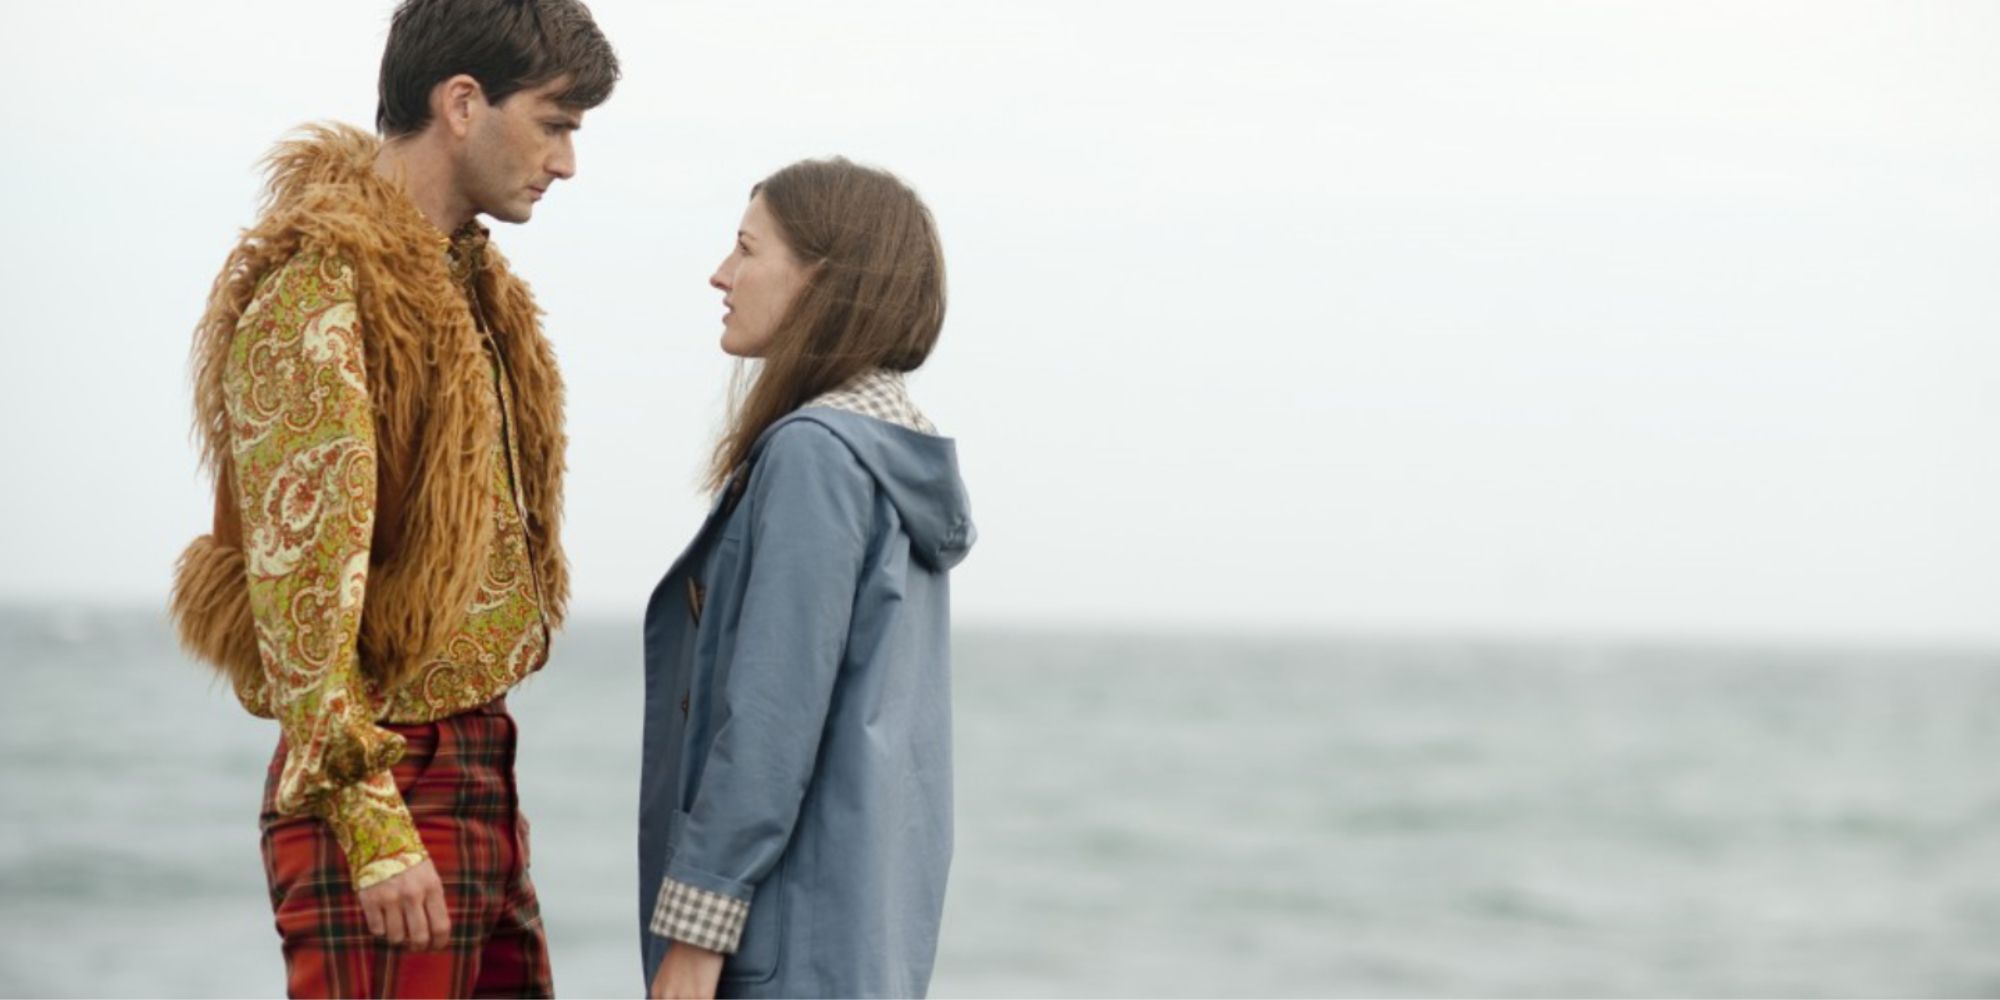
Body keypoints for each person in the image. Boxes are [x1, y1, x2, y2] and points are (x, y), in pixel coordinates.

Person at [167, 1, 617, 995]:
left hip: (472, 764)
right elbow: (297, 597)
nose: (567, 161)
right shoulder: (316, 290)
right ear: (461, 103)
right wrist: (370, 823)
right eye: (554, 122)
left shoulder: (464, 285)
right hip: (379, 777)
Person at [638, 159, 976, 999]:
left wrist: (696, 929)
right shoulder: (887, 459)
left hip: (779, 951)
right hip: (859, 940)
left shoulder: (816, 456)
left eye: (748, 250)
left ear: (819, 280)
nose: (722, 273)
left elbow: (771, 721)